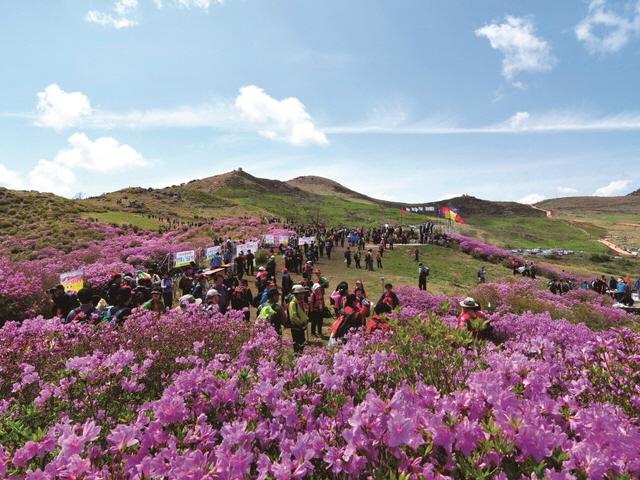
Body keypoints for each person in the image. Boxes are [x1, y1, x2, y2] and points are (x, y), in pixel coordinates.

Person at [288, 285, 309, 354]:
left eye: (303, 293)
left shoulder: (300, 302)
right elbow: (293, 317)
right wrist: (301, 323)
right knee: (297, 344)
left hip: (301, 327)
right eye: (301, 293)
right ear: (297, 294)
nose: (303, 295)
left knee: (302, 342)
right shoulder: (293, 303)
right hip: (297, 327)